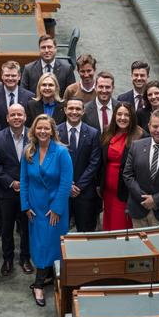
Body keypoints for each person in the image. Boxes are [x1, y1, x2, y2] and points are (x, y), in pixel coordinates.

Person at [20, 114, 73, 307]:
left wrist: (57, 208)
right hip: (35, 208)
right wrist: (25, 205)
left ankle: (39, 283)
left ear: (52, 131)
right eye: (39, 128)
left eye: (46, 128)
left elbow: (66, 182)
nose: (43, 131)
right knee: (40, 245)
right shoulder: (28, 151)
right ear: (33, 131)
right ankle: (44, 279)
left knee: (51, 246)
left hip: (55, 209)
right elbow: (24, 180)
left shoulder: (61, 152)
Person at [0, 104, 33, 276]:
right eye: (13, 114)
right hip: (6, 192)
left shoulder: (34, 136)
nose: (16, 117)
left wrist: (24, 183)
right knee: (6, 228)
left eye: (19, 114)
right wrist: (11, 182)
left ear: (25, 117)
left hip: (28, 192)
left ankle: (25, 258)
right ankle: (7, 259)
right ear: (7, 118)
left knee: (26, 228)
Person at [57, 97, 101, 232]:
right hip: (61, 191)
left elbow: (94, 163)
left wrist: (78, 186)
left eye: (77, 109)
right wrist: (67, 185)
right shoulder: (55, 132)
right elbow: (53, 163)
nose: (74, 112)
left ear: (83, 111)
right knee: (59, 231)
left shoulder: (93, 133)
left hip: (85, 192)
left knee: (85, 232)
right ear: (65, 110)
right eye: (70, 108)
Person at [100, 102, 145, 231]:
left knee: (121, 227)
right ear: (114, 116)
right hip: (108, 192)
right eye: (119, 114)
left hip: (125, 191)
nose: (122, 118)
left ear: (132, 117)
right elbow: (101, 161)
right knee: (108, 225)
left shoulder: (140, 135)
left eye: (127, 115)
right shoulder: (107, 132)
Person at [0, 60, 35, 129]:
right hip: (0, 138)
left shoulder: (29, 97)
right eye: (7, 75)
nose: (10, 78)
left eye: (13, 76)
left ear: (19, 77)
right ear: (2, 76)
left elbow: (31, 122)